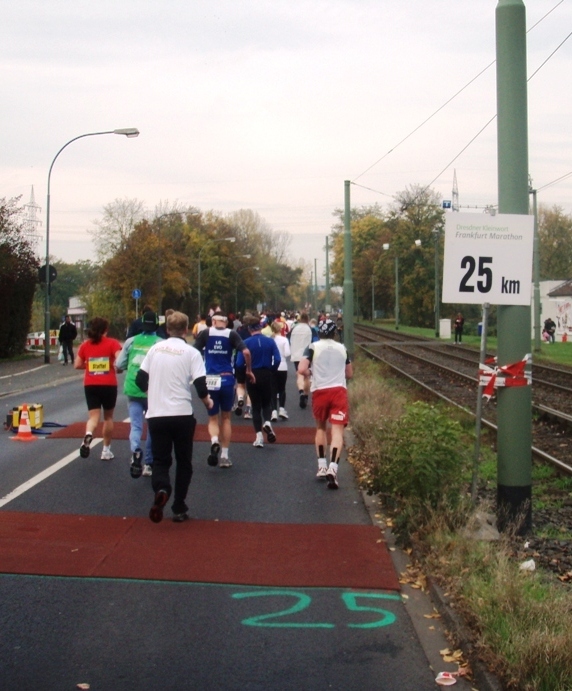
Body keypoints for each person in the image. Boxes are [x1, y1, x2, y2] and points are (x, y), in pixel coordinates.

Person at [135, 311, 213, 523]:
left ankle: (162, 488)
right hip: (182, 415)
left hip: (157, 415)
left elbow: (140, 380)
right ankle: (179, 506)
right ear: (186, 330)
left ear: (167, 329)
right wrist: (207, 402)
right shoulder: (191, 353)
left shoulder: (154, 350)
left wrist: (153, 393)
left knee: (160, 460)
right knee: (184, 461)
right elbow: (200, 385)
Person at [193, 311, 253, 468]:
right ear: (225, 322)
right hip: (226, 377)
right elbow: (246, 351)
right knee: (226, 418)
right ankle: (225, 456)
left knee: (213, 417)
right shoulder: (231, 334)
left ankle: (214, 441)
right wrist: (248, 369)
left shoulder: (206, 333)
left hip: (210, 378)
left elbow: (195, 351)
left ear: (213, 322)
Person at [297, 318, 352, 490]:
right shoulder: (343, 348)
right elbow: (349, 373)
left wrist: (311, 372)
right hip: (338, 392)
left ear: (319, 332)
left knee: (320, 428)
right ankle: (333, 469)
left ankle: (321, 466)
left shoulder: (313, 347)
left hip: (320, 391)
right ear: (335, 333)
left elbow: (301, 369)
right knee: (337, 431)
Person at [116, 311, 163, 479]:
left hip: (133, 387)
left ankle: (135, 451)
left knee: (136, 426)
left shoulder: (130, 341)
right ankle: (149, 464)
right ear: (157, 325)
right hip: (152, 389)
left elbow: (119, 364)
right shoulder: (160, 343)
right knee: (151, 428)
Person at [74, 317, 123, 461]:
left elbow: (77, 365)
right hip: (108, 384)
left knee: (93, 417)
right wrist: (115, 367)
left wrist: (89, 366)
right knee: (108, 418)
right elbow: (119, 362)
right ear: (106, 330)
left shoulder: (85, 345)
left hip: (91, 384)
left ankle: (88, 434)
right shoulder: (113, 343)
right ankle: (106, 450)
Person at [235, 318, 281, 448]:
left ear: (249, 329)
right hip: (266, 373)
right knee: (267, 403)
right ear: (261, 328)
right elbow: (277, 359)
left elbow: (239, 363)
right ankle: (267, 422)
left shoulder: (245, 343)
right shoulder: (270, 341)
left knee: (256, 406)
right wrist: (271, 370)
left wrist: (245, 372)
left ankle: (259, 437)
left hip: (252, 374)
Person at [289, 311, 313, 409]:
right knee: (306, 376)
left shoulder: (294, 328)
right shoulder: (309, 329)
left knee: (299, 374)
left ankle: (301, 392)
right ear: (307, 319)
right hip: (306, 355)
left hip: (296, 355)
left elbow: (289, 339)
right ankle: (306, 396)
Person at [270, 319, 291, 420]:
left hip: (272, 365)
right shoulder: (284, 340)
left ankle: (273, 411)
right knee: (282, 389)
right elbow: (287, 353)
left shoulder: (270, 340)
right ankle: (282, 409)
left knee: (272, 389)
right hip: (282, 366)